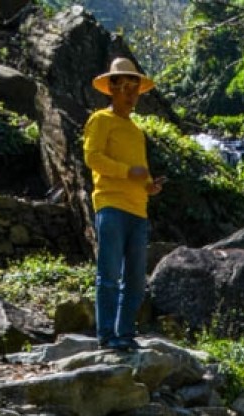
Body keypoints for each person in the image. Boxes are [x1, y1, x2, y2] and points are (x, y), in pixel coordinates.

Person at [83, 56, 164, 353]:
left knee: (135, 279)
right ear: (112, 89)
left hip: (138, 209)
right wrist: (127, 173)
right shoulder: (100, 120)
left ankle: (126, 333)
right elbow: (92, 158)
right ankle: (106, 334)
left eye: (135, 87)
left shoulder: (136, 131)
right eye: (126, 87)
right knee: (109, 274)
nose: (131, 94)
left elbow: (140, 168)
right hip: (111, 205)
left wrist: (149, 186)